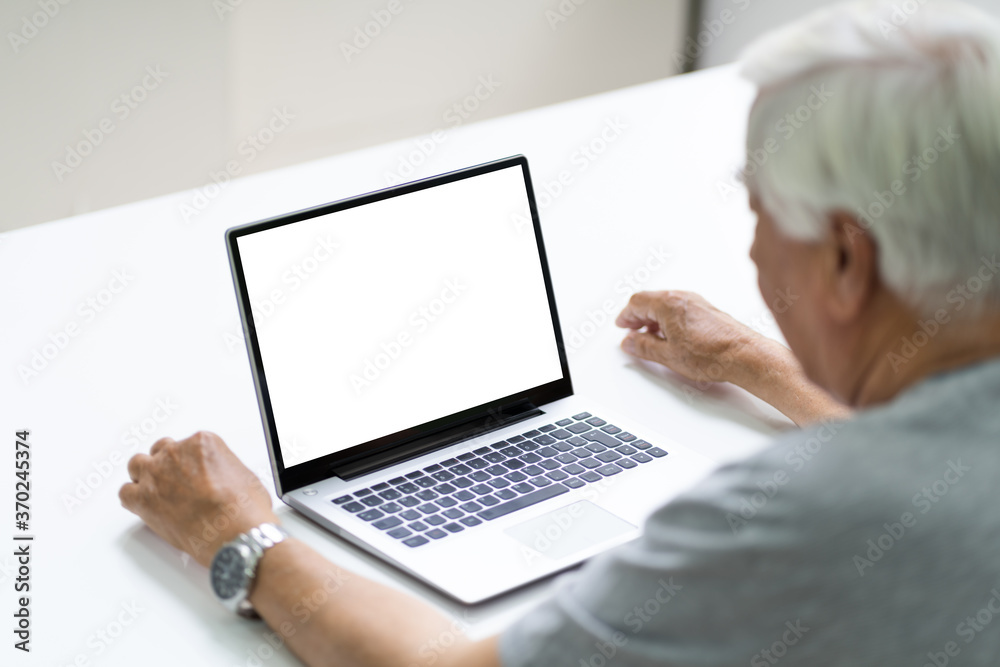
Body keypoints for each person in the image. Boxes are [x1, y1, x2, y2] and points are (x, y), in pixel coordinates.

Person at [120, 1, 1000, 665]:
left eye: (761, 209)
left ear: (848, 258)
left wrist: (241, 537)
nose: (754, 247)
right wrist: (755, 362)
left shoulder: (786, 522)